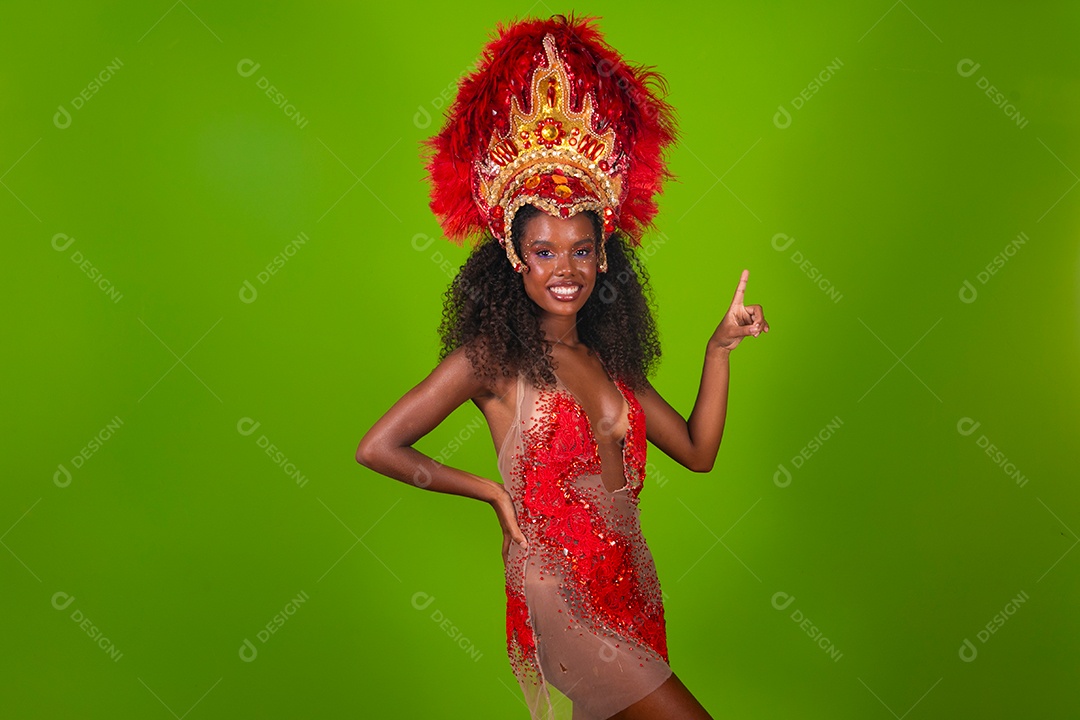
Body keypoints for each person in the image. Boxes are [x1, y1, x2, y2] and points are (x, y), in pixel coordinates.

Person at [356, 15, 768, 720]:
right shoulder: (491, 361)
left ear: (605, 256)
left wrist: (718, 351)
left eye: (580, 249)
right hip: (561, 602)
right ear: (516, 261)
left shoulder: (613, 364)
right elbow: (379, 447)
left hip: (631, 591)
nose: (565, 269)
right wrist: (488, 491)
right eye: (544, 252)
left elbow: (699, 453)